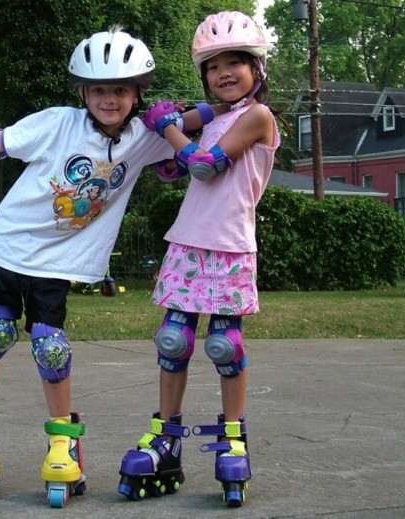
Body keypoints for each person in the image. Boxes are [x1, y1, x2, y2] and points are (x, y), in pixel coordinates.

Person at [0, 27, 214, 508]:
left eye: (120, 89)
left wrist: (235, 100)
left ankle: (62, 445)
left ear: (137, 93)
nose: (108, 100)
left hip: (55, 264)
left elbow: (194, 120)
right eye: (98, 90)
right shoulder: (57, 123)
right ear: (82, 92)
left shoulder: (143, 137)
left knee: (50, 347)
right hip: (7, 247)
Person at [118, 11, 280, 508]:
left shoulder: (257, 117)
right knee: (174, 341)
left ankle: (232, 437)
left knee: (224, 345)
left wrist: (170, 129)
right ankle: (166, 438)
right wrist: (158, 119)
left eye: (236, 62)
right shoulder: (212, 117)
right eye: (213, 66)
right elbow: (173, 165)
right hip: (188, 243)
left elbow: (206, 167)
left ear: (258, 70)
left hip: (230, 247)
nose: (224, 73)